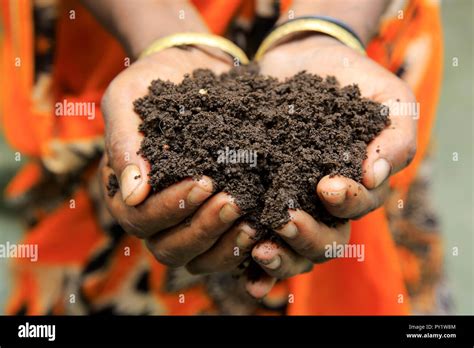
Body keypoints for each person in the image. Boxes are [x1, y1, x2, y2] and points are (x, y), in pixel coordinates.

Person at [1, 0, 447, 315]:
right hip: (116, 36)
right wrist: (162, 32)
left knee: (370, 187)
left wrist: (329, 24)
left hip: (364, 21)